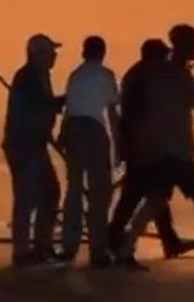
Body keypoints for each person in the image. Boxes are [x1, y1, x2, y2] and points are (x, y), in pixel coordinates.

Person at [122, 24, 194, 272]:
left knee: (156, 201)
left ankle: (126, 248)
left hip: (161, 148)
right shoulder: (179, 76)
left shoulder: (163, 73)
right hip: (176, 150)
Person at [108, 38, 190, 263]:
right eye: (163, 55)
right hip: (144, 145)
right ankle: (115, 239)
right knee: (142, 194)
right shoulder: (145, 78)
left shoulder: (137, 75)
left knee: (151, 193)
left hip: (138, 143)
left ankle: (169, 240)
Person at [2, 33, 67, 268]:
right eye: (51, 52)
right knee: (27, 198)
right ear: (38, 55)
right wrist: (62, 102)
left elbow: (41, 112)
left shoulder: (38, 76)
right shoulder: (28, 77)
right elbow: (39, 108)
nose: (55, 56)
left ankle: (41, 246)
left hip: (34, 144)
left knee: (49, 193)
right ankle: (23, 252)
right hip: (23, 146)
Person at [59, 36, 120, 268]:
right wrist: (118, 147)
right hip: (93, 131)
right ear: (102, 53)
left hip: (72, 130)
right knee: (99, 194)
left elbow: (70, 108)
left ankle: (68, 247)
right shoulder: (105, 75)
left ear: (84, 52)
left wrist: (63, 136)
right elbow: (112, 115)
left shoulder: (75, 75)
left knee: (73, 190)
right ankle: (97, 251)